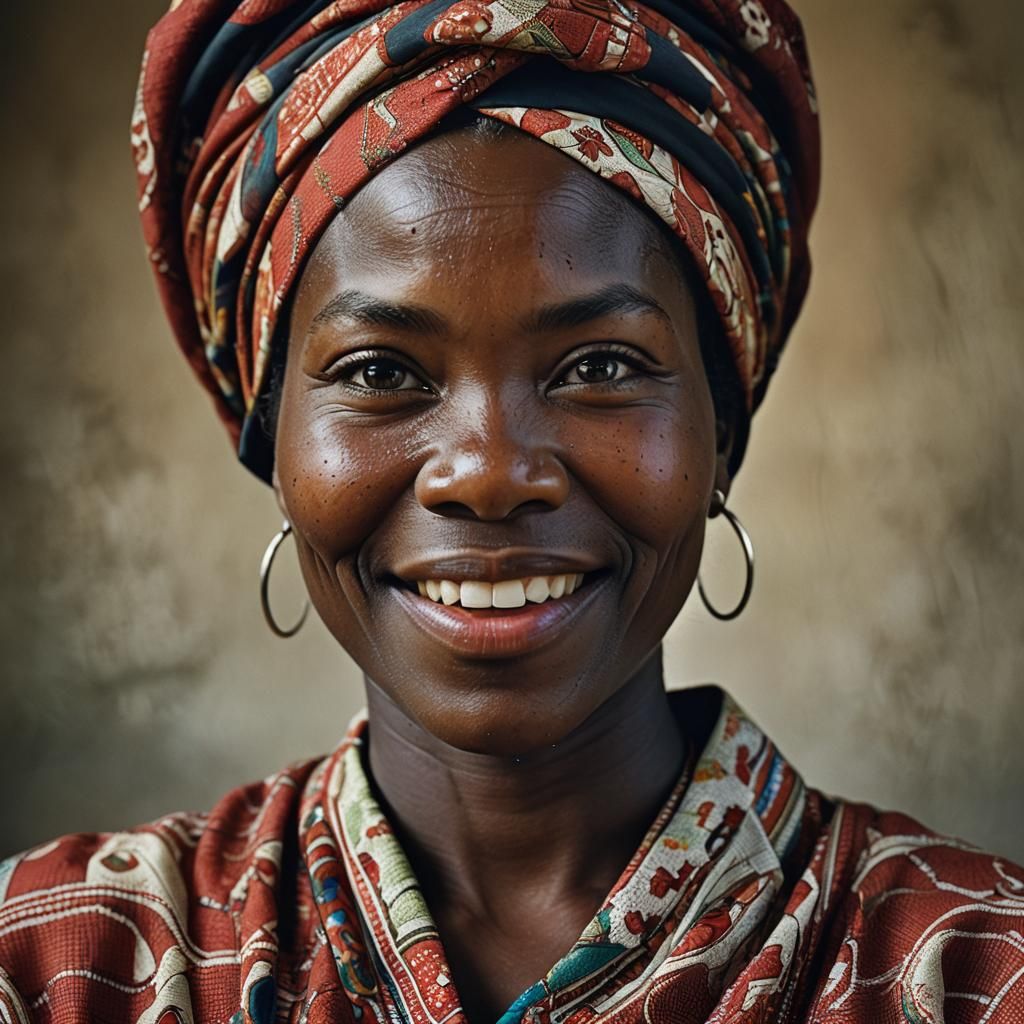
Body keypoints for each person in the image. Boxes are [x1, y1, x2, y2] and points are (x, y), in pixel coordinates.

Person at [1, 0, 1021, 1021]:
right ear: (275, 440)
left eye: (601, 366)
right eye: (379, 371)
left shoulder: (976, 974)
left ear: (721, 429)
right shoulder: (58, 967)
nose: (487, 475)